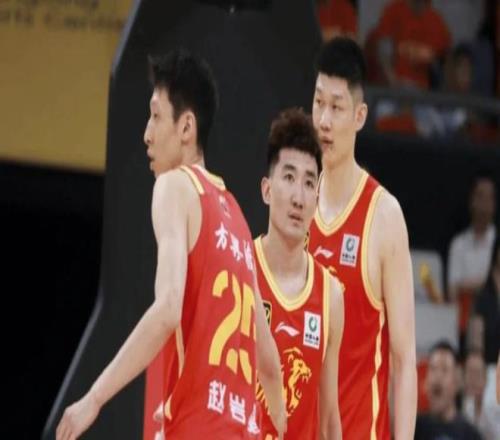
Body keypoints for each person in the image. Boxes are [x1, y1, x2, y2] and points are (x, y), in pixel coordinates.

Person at [56, 48, 286, 440]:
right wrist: (278, 427)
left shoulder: (174, 187)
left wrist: (94, 398)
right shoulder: (238, 219)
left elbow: (167, 309)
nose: (147, 133)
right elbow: (269, 364)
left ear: (186, 127)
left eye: (156, 116)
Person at [308, 37, 417, 439]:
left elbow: (404, 358)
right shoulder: (297, 207)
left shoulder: (384, 216)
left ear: (359, 116)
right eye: (318, 102)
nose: (324, 120)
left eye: (336, 107)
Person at [253, 108, 344, 439]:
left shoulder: (330, 295)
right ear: (267, 190)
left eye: (308, 183)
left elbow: (329, 416)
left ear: (317, 199)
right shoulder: (238, 268)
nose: (298, 197)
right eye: (289, 178)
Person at [448, 174, 496, 350]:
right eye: (480, 196)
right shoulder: (458, 244)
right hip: (464, 322)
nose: (484, 203)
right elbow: (453, 291)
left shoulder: (496, 243)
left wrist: (469, 286)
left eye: (490, 198)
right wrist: (485, 283)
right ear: (471, 201)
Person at [415, 341, 482, 440]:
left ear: (457, 381)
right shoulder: (415, 429)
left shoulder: (470, 435)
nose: (437, 376)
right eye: (433, 368)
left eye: (444, 369)